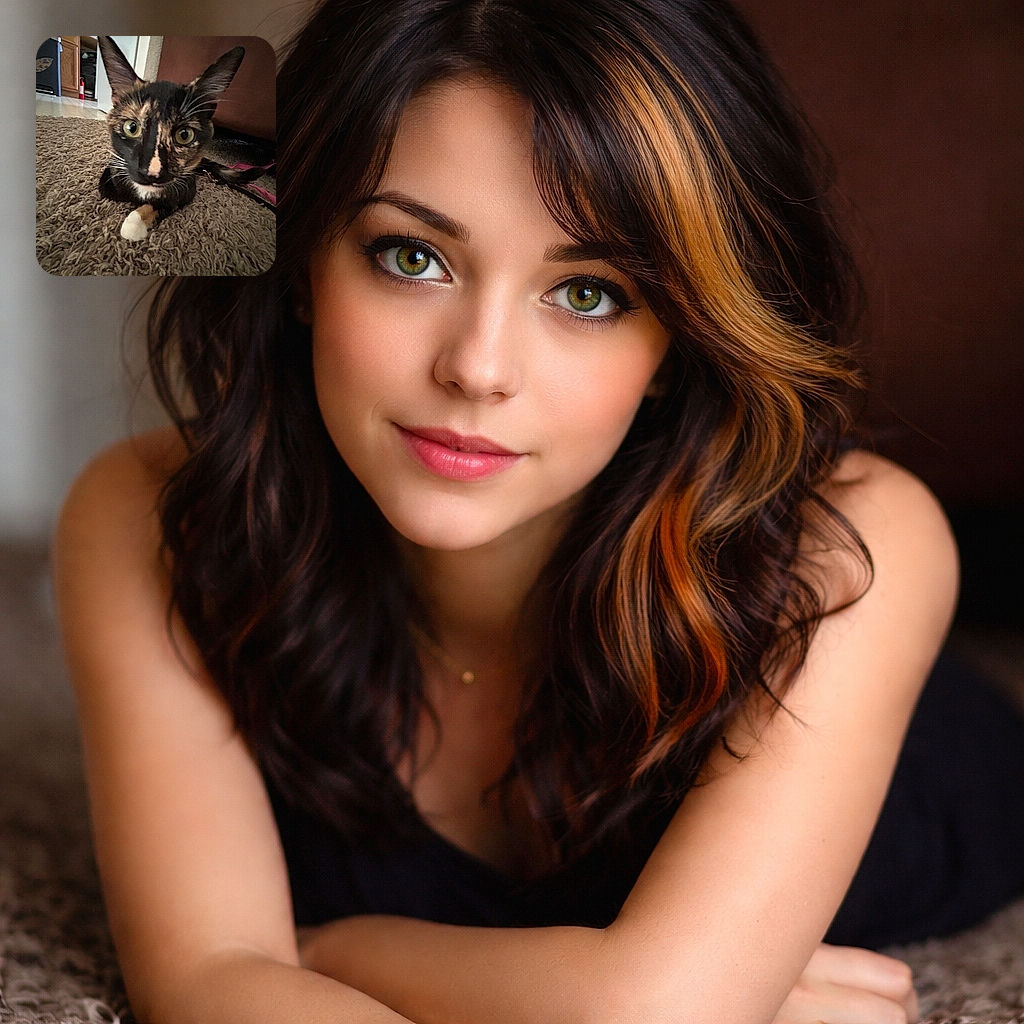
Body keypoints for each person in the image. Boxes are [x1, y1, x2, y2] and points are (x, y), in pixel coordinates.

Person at [54, 1, 1024, 1021]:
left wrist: (324, 951)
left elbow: (640, 1013)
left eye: (590, 292)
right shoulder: (145, 515)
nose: (477, 369)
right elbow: (207, 984)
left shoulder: (857, 542)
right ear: (301, 267)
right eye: (409, 256)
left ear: (678, 340)